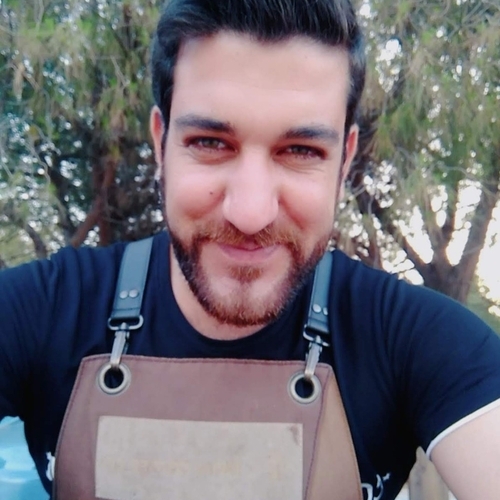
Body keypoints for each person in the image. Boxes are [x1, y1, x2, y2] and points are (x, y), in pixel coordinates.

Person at [1, 0, 500, 499]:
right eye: (210, 142)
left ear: (345, 161)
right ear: (160, 144)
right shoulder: (38, 312)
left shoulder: (419, 341)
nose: (250, 213)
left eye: (301, 151)